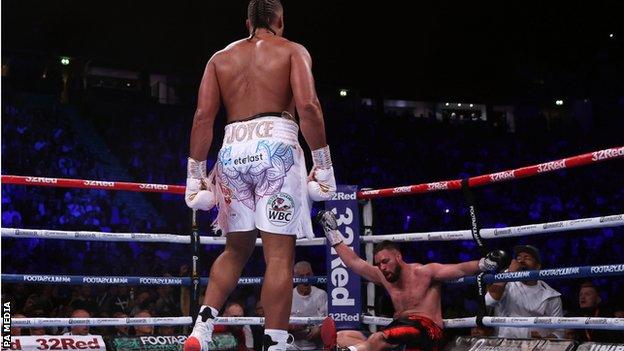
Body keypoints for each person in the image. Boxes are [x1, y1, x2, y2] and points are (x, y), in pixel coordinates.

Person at [183, 0, 336, 350]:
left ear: (247, 22)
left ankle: (201, 330)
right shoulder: (292, 50)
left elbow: (202, 118)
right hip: (277, 145)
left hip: (232, 150)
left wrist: (195, 176)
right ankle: (277, 342)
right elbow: (309, 106)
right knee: (279, 255)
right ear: (279, 21)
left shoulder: (219, 58)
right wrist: (323, 164)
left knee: (235, 249)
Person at [317, 211, 509, 351]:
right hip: (399, 327)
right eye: (379, 264)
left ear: (398, 257)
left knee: (378, 338)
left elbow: (458, 268)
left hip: (427, 329)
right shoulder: (384, 276)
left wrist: (485, 263)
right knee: (344, 336)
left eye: (386, 261)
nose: (382, 267)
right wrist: (332, 233)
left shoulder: (425, 272)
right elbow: (354, 262)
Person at [485, 245, 564, 339]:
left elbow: (559, 332)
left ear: (537, 266)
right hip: (507, 344)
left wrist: (543, 341)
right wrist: (508, 274)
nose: (521, 261)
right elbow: (489, 301)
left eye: (527, 258)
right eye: (518, 258)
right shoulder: (507, 284)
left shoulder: (551, 295)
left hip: (537, 347)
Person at [288, 261, 328, 350]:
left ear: (313, 275)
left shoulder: (321, 294)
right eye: (301, 276)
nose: (305, 279)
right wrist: (293, 326)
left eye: (308, 275)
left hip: (317, 346)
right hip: (293, 346)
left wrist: (320, 329)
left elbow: (329, 320)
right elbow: (279, 322)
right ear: (295, 278)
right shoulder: (288, 296)